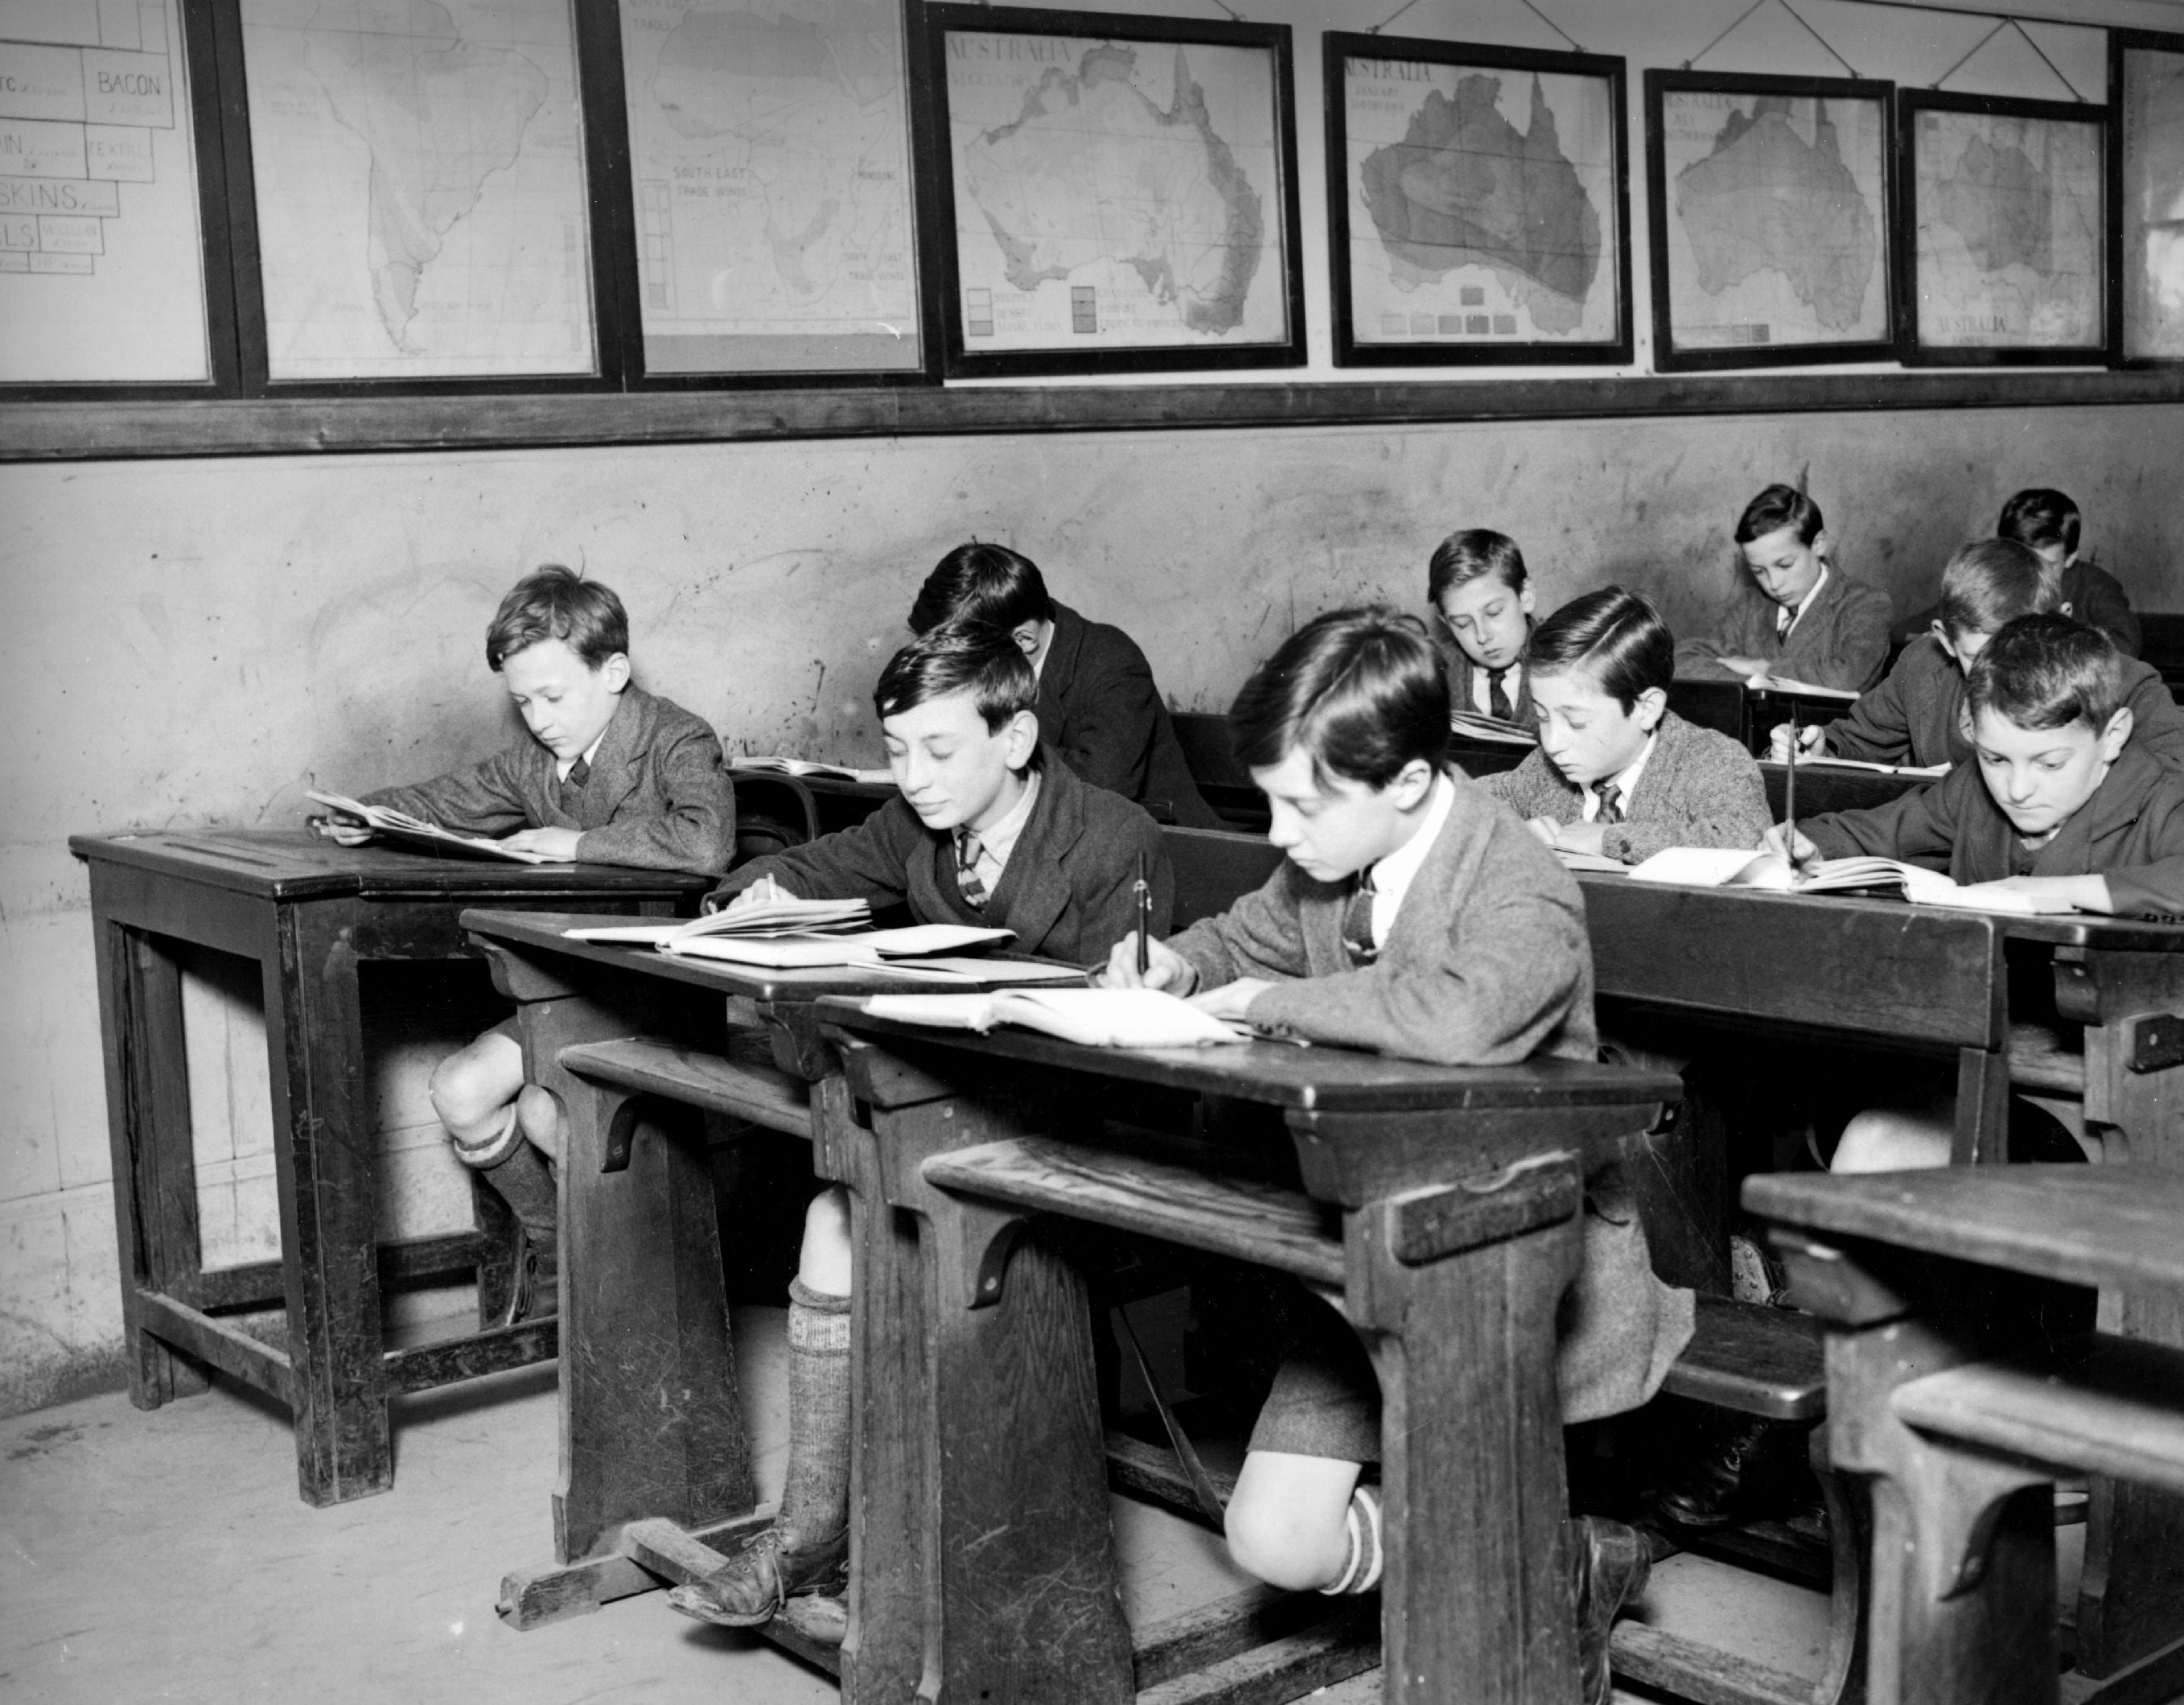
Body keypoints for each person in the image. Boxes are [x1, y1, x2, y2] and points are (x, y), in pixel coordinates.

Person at [1097, 607, 1690, 1705]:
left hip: (1524, 1264)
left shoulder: (1517, 882)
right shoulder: (1336, 855)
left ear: (1410, 781)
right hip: (1369, 1253)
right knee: (1275, 1540)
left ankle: (1530, 1566)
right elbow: (1240, 933)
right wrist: (1176, 965)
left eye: (1299, 803)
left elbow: (1460, 1017)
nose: (1277, 829)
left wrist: (1265, 1002)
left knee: (1463, 1565)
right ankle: (1559, 1556)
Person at [667, 623, 1170, 1636]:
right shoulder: (920, 822)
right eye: (898, 751)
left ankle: (937, 1542)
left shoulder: (1112, 837)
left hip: (1085, 1133)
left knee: (870, 1211)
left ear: (1018, 737)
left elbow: (1128, 1048)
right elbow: (820, 864)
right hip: (949, 1111)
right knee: (833, 1216)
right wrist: (753, 897)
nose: (916, 777)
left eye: (940, 751)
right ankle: (809, 1532)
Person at [310, 566, 734, 1320]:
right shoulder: (537, 759)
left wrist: (577, 844)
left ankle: (616, 1284)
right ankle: (559, 1249)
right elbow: (447, 798)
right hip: (574, 989)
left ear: (613, 671)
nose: (537, 717)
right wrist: (365, 814)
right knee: (459, 1090)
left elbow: (705, 842)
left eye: (553, 696)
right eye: (522, 701)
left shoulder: (676, 737)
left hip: (661, 991)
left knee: (544, 1111)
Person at [1768, 612, 2184, 1174]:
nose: (2017, 789)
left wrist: (2054, 892)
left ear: (2112, 735)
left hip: (2099, 1094)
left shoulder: (2157, 796)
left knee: (1873, 1149)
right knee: (1836, 1116)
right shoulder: (1974, 789)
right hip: (1977, 1059)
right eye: (1996, 758)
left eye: (2048, 762)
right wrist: (1804, 842)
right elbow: (1877, 830)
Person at [1782, 538, 2184, 793]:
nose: (2000, 676)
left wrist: (2072, 767)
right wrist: (1821, 749)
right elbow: (1856, 742)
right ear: (1943, 638)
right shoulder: (1924, 666)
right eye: (1978, 658)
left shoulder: (2118, 677)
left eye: (2022, 650)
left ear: (2060, 624)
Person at [909, 541, 1221, 826]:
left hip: (1169, 848)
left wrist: (980, 751)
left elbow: (1101, 785)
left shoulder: (1112, 659)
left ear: (1024, 639)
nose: (950, 672)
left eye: (963, 657)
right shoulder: (993, 663)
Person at [1488, 587, 1771, 864]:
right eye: (1543, 716)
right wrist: (1510, 833)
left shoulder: (1711, 761)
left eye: (1576, 723)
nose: (1552, 743)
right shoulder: (1544, 771)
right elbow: (1461, 799)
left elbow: (1744, 837)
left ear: (1646, 710)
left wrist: (1609, 839)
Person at [1676, 484, 1890, 693]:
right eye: (1758, 571)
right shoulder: (1752, 605)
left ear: (1818, 544)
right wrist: (1755, 682)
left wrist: (1761, 669)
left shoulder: (1865, 604)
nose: (1774, 584)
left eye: (1784, 565)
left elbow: (1848, 677)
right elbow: (1684, 659)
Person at [2000, 487, 2142, 658]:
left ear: (2070, 557)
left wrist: (2064, 633)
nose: (2033, 574)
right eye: (2021, 560)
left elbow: (2127, 647)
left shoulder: (2096, 587)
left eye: (2047, 565)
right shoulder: (1995, 581)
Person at [1428, 527, 1536, 724]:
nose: (1482, 636)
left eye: (1494, 613)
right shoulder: (1433, 677)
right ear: (1446, 623)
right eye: (1463, 624)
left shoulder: (1573, 663)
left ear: (1526, 595)